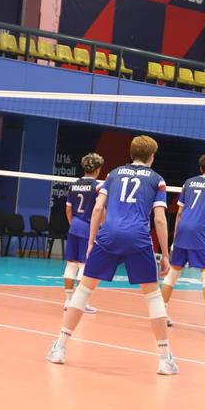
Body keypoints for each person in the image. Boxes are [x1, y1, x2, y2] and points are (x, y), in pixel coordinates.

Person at [47, 135, 177, 376]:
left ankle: (60, 348)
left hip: (109, 235)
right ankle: (164, 359)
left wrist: (91, 242)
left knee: (84, 290)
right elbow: (160, 219)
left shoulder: (113, 174)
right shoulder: (157, 180)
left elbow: (98, 208)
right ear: (151, 156)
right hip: (138, 237)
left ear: (131, 154)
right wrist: (166, 254)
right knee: (153, 296)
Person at [160, 153, 205, 336]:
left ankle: (161, 314)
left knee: (173, 272)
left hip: (182, 229)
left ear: (200, 167)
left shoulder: (188, 183)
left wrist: (176, 237)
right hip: (199, 231)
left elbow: (179, 212)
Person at [62, 153, 105, 313]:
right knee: (84, 266)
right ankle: (79, 303)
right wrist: (104, 226)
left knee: (71, 264)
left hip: (74, 227)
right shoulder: (98, 187)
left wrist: (73, 224)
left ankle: (68, 301)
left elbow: (68, 209)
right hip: (88, 228)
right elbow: (100, 210)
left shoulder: (74, 185)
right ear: (98, 169)